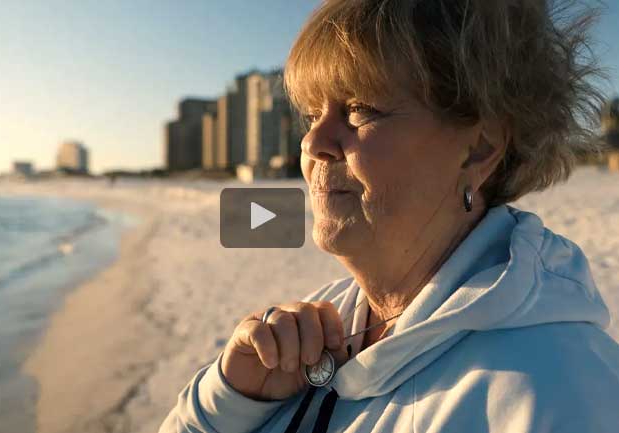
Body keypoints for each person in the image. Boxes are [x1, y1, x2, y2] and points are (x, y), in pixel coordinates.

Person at [160, 0, 619, 432]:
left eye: (360, 109)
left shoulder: (557, 393)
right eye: (311, 114)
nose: (312, 142)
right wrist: (229, 403)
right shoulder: (326, 323)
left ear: (479, 147)